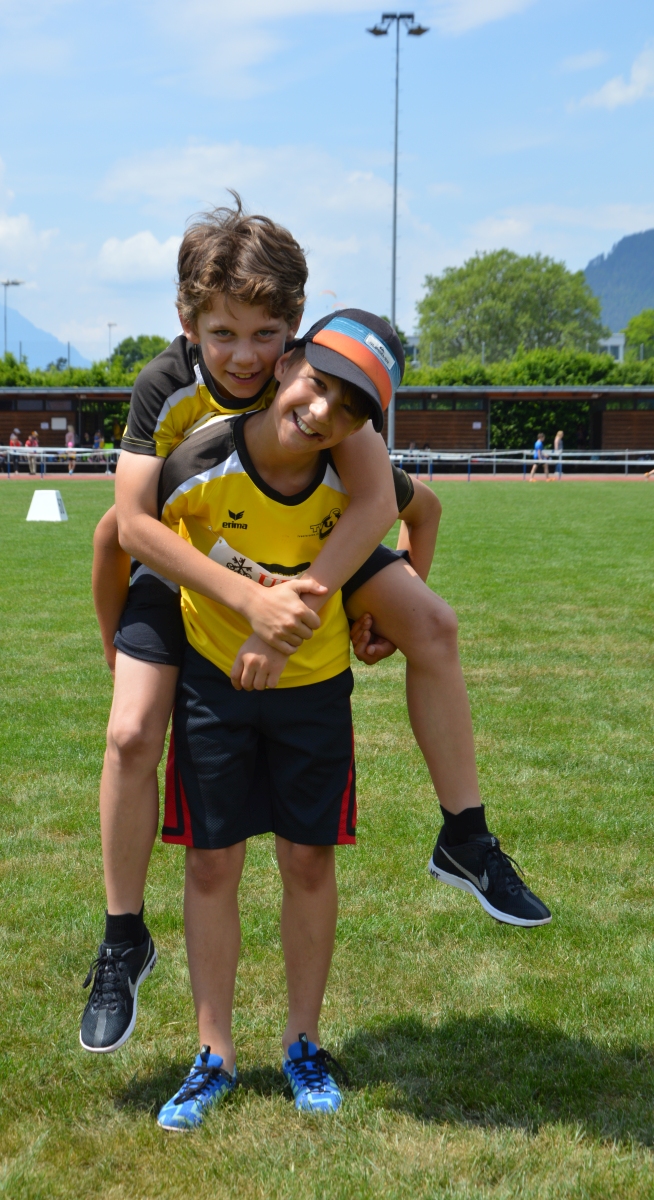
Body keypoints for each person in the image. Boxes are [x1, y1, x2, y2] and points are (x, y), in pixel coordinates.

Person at [80, 202, 550, 1059]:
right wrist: (152, 627)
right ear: (187, 321)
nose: (245, 356)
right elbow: (127, 528)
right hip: (185, 554)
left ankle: (465, 834)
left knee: (433, 626)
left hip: (312, 548)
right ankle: (122, 936)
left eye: (266, 334)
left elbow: (382, 502)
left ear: (294, 330)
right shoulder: (166, 384)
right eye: (223, 334)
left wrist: (336, 605)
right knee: (130, 731)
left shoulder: (322, 383)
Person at [154, 315, 401, 1129]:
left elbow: (420, 510)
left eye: (350, 409)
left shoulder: (354, 479)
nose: (324, 411)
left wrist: (382, 611)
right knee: (210, 865)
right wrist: (116, 644)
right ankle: (213, 1054)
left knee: (307, 860)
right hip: (213, 686)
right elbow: (127, 534)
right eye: (317, 384)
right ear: (287, 363)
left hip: (315, 692)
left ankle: (304, 1043)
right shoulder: (196, 464)